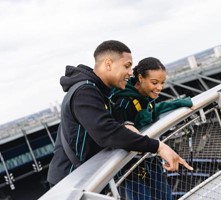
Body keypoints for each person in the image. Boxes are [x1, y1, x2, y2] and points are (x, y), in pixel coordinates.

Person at [47, 40, 193, 188]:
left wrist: (126, 124)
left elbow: (112, 122)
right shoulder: (85, 92)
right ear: (108, 64)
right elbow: (107, 132)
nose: (131, 73)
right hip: (70, 181)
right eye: (127, 66)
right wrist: (158, 147)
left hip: (84, 177)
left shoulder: (98, 91)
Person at [111, 57, 193, 200]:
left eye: (162, 83)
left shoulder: (144, 98)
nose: (160, 88)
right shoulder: (123, 103)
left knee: (165, 197)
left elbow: (155, 109)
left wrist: (180, 102)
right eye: (154, 83)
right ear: (140, 78)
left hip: (150, 158)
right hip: (131, 167)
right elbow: (118, 133)